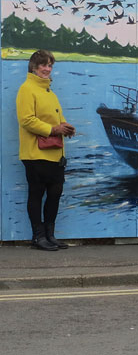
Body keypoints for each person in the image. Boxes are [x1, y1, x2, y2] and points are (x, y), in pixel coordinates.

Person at [16, 50, 75, 251]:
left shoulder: (50, 92)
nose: (47, 69)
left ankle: (50, 235)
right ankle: (38, 237)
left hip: (54, 152)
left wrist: (65, 127)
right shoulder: (27, 89)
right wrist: (53, 129)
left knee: (55, 193)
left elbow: (58, 119)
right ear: (34, 66)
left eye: (50, 65)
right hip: (35, 153)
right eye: (43, 65)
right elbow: (26, 120)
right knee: (36, 193)